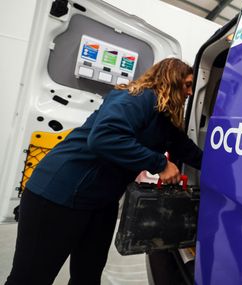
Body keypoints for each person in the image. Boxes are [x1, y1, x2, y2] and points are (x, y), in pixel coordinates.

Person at [6, 58, 203, 285]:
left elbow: (186, 149)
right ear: (171, 79)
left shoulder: (163, 117)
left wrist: (229, 168)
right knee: (30, 277)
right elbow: (103, 137)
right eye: (187, 85)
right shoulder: (138, 97)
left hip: (100, 202)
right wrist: (159, 164)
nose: (189, 93)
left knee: (87, 276)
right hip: (58, 194)